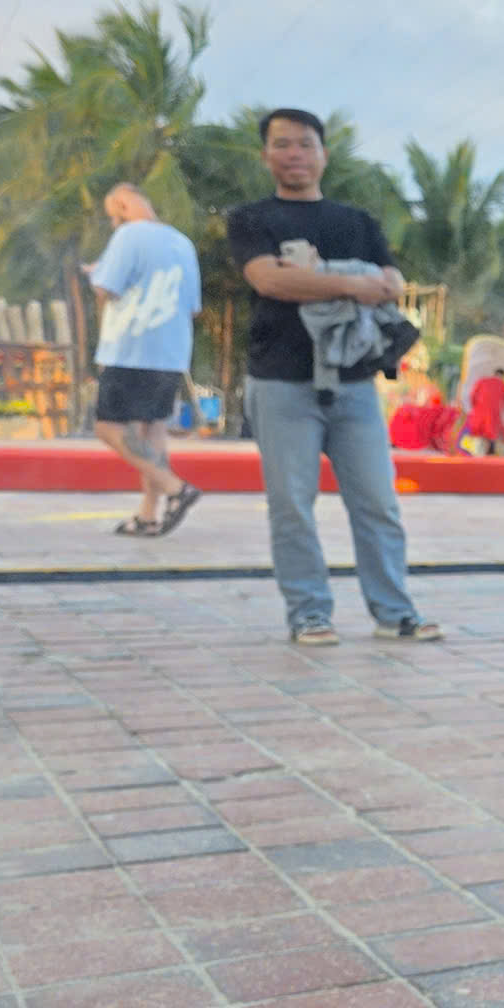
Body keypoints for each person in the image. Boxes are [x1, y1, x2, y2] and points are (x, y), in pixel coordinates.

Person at [227, 109, 444, 646]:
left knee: (377, 502)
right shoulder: (251, 219)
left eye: (304, 144)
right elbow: (268, 282)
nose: (294, 154)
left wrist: (314, 277)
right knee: (292, 505)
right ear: (266, 155)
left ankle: (395, 612)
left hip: (354, 385)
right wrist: (353, 282)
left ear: (323, 153)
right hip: (280, 381)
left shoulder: (357, 222)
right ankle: (308, 613)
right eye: (282, 145)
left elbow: (391, 282)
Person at [89, 183, 203, 538]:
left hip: (130, 348)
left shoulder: (128, 237)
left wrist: (95, 272)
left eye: (112, 215)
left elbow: (106, 288)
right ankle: (149, 515)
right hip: (170, 352)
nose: (113, 224)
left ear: (123, 205)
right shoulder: (182, 242)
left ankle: (175, 488)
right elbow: (194, 307)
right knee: (151, 429)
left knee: (108, 427)